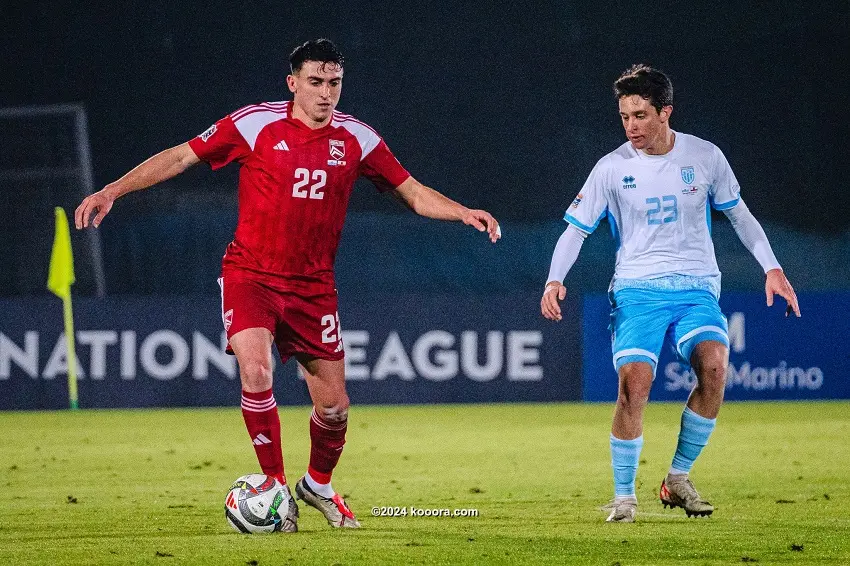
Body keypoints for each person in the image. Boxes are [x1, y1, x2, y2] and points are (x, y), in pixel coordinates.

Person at [75, 38, 500, 532]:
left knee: (335, 408)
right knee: (256, 372)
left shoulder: (358, 139)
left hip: (313, 289)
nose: (325, 94)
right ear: (292, 82)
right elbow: (178, 158)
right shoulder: (254, 124)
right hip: (250, 276)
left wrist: (462, 212)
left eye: (334, 84)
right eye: (315, 82)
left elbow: (411, 191)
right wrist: (112, 190)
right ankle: (275, 490)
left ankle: (317, 485)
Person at [540, 64, 799, 523]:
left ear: (666, 112)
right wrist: (555, 279)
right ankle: (624, 498)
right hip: (636, 291)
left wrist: (772, 267)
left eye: (640, 115)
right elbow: (575, 231)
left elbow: (739, 215)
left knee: (715, 367)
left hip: (697, 287)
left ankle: (676, 479)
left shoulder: (705, 157)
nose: (631, 126)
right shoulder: (611, 168)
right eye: (624, 116)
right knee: (633, 387)